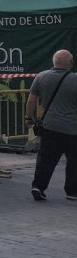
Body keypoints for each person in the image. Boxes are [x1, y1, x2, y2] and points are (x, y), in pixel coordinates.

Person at [26, 49, 77, 201]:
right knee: (74, 162)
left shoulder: (41, 76)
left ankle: (38, 187)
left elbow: (31, 100)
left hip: (49, 127)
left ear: (54, 62)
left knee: (46, 159)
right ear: (70, 63)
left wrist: (29, 118)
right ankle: (72, 192)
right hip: (73, 129)